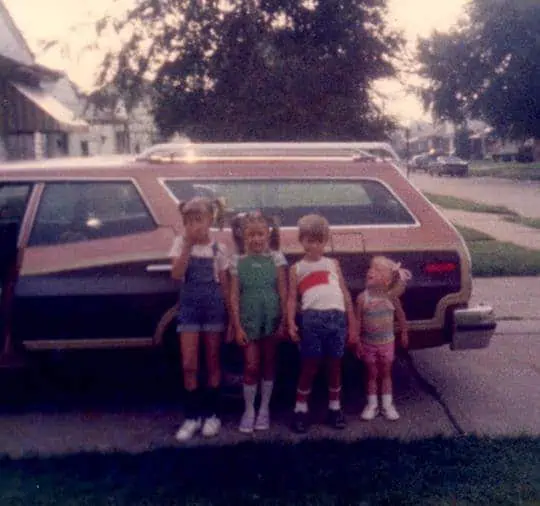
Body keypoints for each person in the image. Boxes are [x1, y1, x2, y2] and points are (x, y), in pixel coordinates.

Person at [287, 214, 357, 433]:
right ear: (302, 240)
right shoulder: (296, 269)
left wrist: (352, 324)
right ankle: (300, 409)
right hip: (311, 320)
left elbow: (344, 293)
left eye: (318, 241)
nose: (313, 245)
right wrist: (290, 322)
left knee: (335, 364)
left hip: (336, 320)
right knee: (310, 365)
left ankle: (335, 408)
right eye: (308, 240)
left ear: (325, 241)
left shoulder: (333, 264)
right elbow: (291, 298)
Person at [170, 196, 230, 441]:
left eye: (200, 219)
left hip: (213, 308)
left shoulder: (219, 250)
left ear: (210, 220)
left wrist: (231, 321)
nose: (195, 225)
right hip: (190, 309)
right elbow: (176, 274)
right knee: (189, 364)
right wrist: (186, 245)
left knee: (213, 361)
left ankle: (212, 415)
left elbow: (225, 287)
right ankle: (191, 416)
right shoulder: (179, 244)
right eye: (190, 221)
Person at [229, 211, 288, 433]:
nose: (256, 239)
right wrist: (237, 326)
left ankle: (264, 409)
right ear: (243, 237)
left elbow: (283, 291)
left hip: (271, 317)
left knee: (269, 364)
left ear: (267, 235)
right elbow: (234, 296)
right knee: (251, 366)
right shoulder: (237, 261)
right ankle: (249, 409)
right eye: (251, 235)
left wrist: (283, 320)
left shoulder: (276, 258)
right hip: (249, 319)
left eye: (260, 234)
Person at [355, 256, 411, 421]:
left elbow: (401, 316)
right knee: (371, 374)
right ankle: (372, 404)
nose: (371, 271)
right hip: (368, 344)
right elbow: (358, 321)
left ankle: (387, 405)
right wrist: (356, 341)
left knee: (386, 373)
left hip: (387, 343)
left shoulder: (391, 297)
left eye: (378, 269)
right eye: (371, 268)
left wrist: (404, 332)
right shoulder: (362, 298)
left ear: (387, 280)